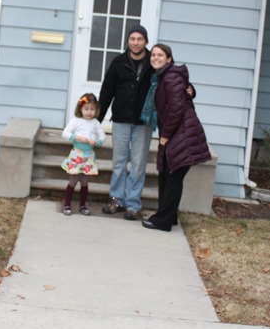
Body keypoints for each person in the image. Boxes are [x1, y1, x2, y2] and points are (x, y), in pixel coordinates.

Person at [98, 24, 193, 221]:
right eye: (132, 39)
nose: (135, 42)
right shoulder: (118, 62)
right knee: (119, 162)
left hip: (144, 121)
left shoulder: (154, 62)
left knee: (139, 164)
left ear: (145, 41)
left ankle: (133, 204)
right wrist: (96, 120)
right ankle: (117, 199)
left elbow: (175, 77)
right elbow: (107, 91)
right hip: (121, 119)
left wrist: (191, 89)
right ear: (127, 41)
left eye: (139, 39)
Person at [142, 43, 211, 232]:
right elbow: (183, 96)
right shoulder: (164, 77)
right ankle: (168, 216)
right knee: (167, 175)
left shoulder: (170, 77)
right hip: (178, 132)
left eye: (160, 55)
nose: (155, 58)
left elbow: (177, 108)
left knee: (172, 178)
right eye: (153, 55)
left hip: (181, 134)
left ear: (169, 59)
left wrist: (165, 135)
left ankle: (163, 220)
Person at [61, 92, 106, 216]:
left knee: (85, 181)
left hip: (89, 156)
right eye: (86, 109)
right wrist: (77, 137)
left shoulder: (95, 123)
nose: (89, 112)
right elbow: (65, 133)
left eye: (92, 109)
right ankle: (67, 204)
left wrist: (97, 141)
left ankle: (83, 205)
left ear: (96, 110)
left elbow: (102, 135)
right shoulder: (76, 121)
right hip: (77, 155)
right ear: (80, 108)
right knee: (73, 180)